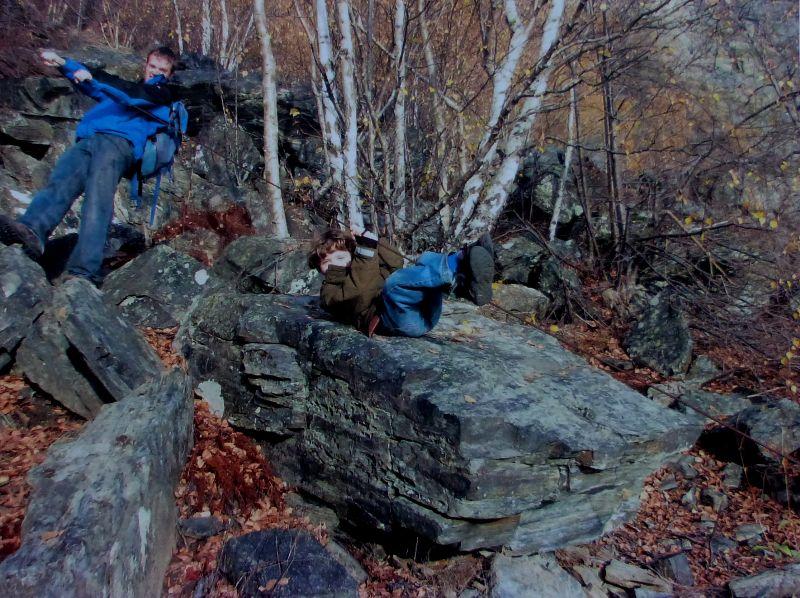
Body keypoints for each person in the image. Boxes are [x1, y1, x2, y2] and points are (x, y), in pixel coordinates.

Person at [0, 46, 177, 284]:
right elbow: (93, 84)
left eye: (162, 70)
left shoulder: (161, 95)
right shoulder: (121, 89)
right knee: (60, 183)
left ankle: (84, 269)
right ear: (145, 65)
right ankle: (32, 231)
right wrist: (64, 63)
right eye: (152, 66)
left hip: (118, 145)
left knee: (97, 201)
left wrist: (94, 78)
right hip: (90, 139)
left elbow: (128, 93)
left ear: (169, 75)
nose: (154, 72)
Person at [308, 227, 495, 337]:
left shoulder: (362, 266)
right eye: (326, 262)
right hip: (399, 322)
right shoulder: (329, 293)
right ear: (319, 268)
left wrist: (372, 241)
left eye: (341, 257)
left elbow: (395, 262)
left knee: (425, 259)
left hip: (423, 311)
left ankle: (462, 264)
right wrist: (365, 253)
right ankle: (455, 272)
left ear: (352, 254)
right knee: (395, 284)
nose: (335, 264)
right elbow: (361, 291)